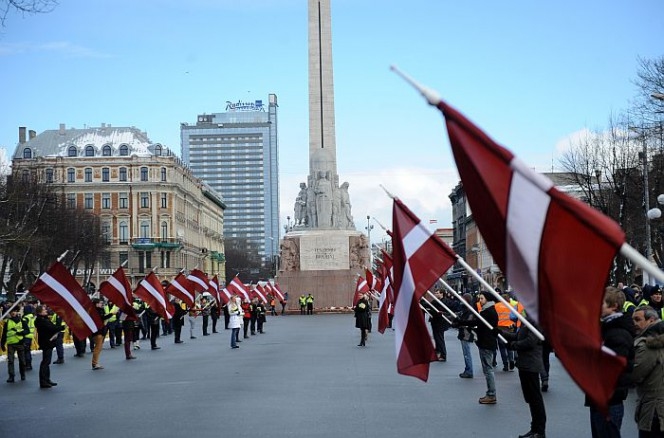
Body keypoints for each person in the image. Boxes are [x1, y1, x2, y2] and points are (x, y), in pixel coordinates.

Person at [586, 287, 635, 438]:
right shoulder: (607, 328)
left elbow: (614, 367)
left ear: (614, 306)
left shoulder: (617, 332)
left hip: (609, 398)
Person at [502, 315, 547, 438]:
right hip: (524, 364)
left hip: (531, 364)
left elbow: (530, 342)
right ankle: (534, 428)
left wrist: (513, 345)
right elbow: (518, 336)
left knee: (535, 399)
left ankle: (539, 431)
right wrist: (501, 333)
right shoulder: (528, 319)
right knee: (531, 399)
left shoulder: (536, 321)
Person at [456, 290, 499, 404]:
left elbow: (478, 323)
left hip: (486, 343)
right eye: (479, 298)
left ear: (488, 300)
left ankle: (491, 394)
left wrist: (461, 322)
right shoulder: (488, 311)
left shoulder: (488, 312)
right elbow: (479, 325)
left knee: (488, 370)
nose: (480, 301)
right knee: (487, 369)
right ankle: (490, 393)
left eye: (482, 299)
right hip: (486, 342)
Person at [631, 305, 664, 437]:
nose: (634, 324)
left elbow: (635, 375)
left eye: (638, 319)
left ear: (651, 320)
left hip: (653, 409)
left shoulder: (649, 345)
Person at [34, 305, 61, 388]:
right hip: (46, 343)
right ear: (40, 312)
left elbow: (52, 327)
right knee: (45, 362)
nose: (46, 310)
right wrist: (62, 327)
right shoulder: (40, 320)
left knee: (47, 362)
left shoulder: (45, 318)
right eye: (44, 310)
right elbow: (51, 328)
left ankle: (47, 379)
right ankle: (43, 381)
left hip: (48, 342)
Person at [1, 306, 29, 382]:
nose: (13, 313)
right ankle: (11, 376)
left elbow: (27, 331)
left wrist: (21, 333)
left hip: (20, 343)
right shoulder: (7, 322)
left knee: (22, 361)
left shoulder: (22, 320)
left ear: (17, 312)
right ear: (10, 313)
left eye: (15, 311)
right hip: (11, 344)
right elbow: (4, 334)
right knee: (10, 361)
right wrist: (2, 344)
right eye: (11, 311)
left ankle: (22, 374)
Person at [456, 293, 476, 378]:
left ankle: (469, 370)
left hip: (466, 333)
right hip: (464, 332)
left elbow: (468, 322)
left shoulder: (469, 310)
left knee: (467, 353)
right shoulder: (466, 309)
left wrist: (459, 322)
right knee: (466, 353)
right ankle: (467, 369)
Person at [91, 298, 112, 370]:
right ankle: (95, 363)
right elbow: (102, 318)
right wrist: (111, 314)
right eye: (100, 303)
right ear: (96, 304)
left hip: (100, 331)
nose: (101, 304)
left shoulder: (99, 310)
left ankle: (95, 363)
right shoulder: (95, 311)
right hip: (97, 331)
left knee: (98, 348)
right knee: (98, 347)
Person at [22, 304, 36, 371]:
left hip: (25, 336)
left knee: (25, 351)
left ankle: (27, 365)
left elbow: (22, 327)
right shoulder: (31, 317)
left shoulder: (25, 318)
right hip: (30, 335)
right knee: (28, 351)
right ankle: (29, 364)